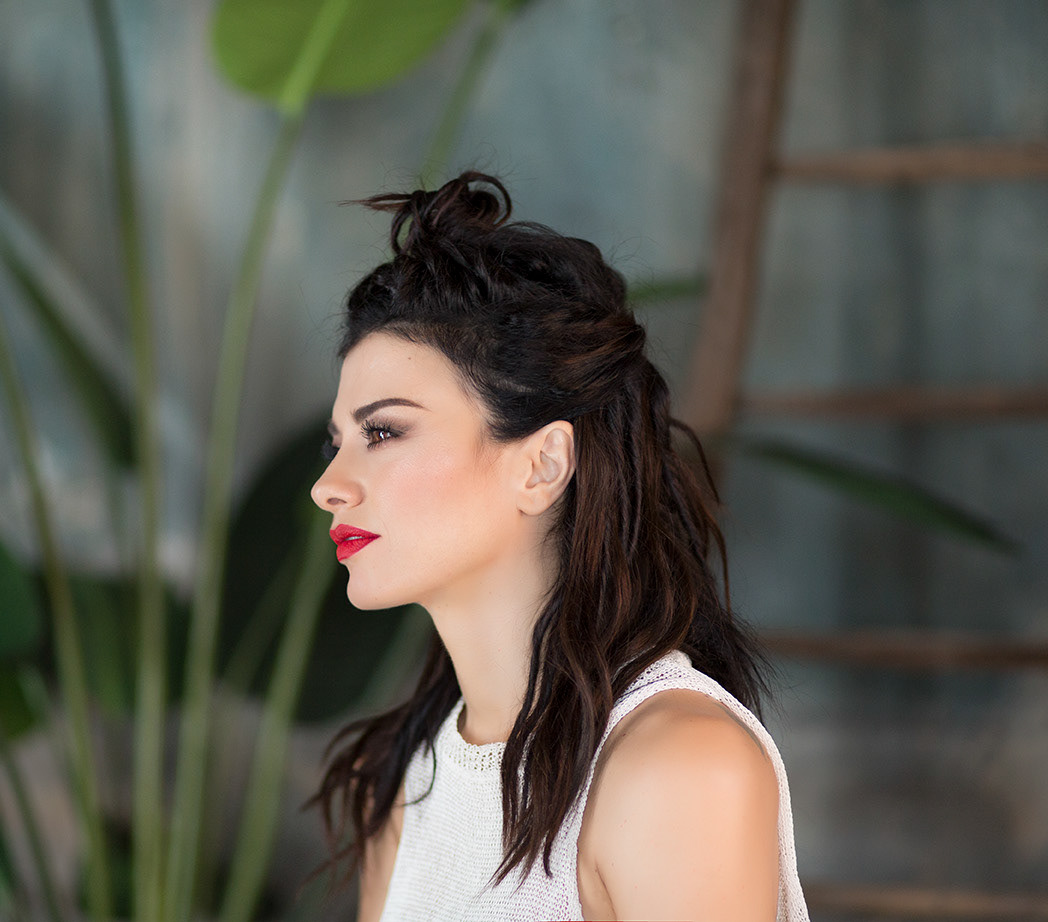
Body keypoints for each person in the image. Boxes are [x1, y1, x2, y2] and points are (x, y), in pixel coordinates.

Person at [307, 171, 810, 922]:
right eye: (337, 442)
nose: (329, 486)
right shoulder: (405, 782)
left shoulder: (676, 768)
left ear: (542, 465)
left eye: (383, 432)